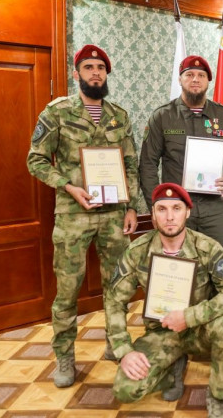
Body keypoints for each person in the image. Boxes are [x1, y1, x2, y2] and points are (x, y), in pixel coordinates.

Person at [27, 44, 140, 387]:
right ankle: (64, 357)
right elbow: (36, 160)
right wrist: (68, 186)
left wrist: (132, 206)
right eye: (89, 67)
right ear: (76, 73)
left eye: (100, 68)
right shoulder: (57, 113)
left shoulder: (119, 116)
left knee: (117, 284)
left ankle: (116, 342)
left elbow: (130, 164)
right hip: (73, 214)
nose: (95, 73)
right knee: (67, 291)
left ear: (107, 74)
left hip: (114, 215)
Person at [105, 183, 223, 418]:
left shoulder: (207, 247)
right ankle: (172, 369)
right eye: (162, 209)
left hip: (201, 329)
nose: (170, 217)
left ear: (187, 212)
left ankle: (219, 394)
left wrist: (190, 317)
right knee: (125, 390)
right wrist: (124, 351)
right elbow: (114, 301)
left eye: (176, 208)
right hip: (162, 333)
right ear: (153, 215)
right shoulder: (137, 251)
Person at [139, 55, 223, 254]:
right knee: (178, 263)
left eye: (201, 75)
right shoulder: (163, 116)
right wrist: (156, 205)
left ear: (208, 81)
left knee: (222, 262)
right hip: (175, 207)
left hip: (214, 208)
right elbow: (148, 164)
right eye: (189, 75)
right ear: (180, 79)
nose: (195, 79)